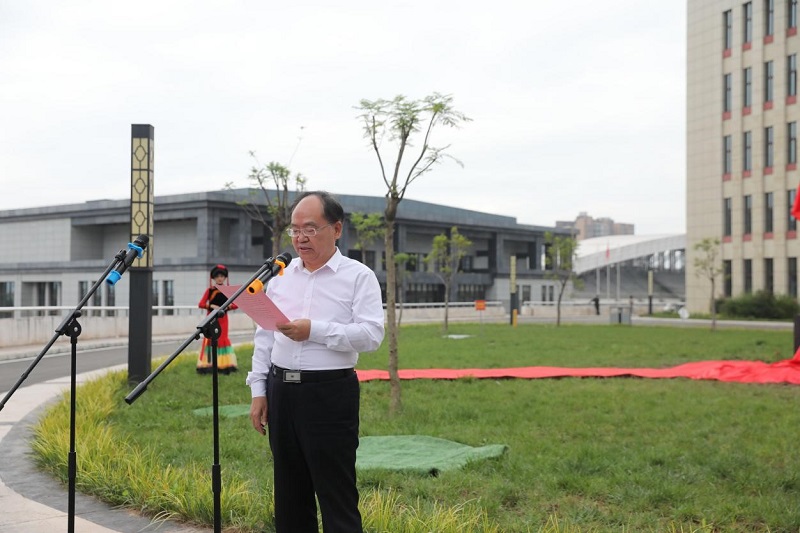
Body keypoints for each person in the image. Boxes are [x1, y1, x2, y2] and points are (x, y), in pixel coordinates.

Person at [246, 191, 385, 533]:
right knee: (290, 497)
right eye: (294, 230)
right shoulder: (280, 275)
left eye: (309, 228)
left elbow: (371, 335)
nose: (299, 238)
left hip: (329, 393)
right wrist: (258, 389)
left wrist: (315, 331)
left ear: (336, 229)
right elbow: (265, 335)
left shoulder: (358, 277)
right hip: (281, 392)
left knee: (336, 495)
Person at [196, 264, 239, 374]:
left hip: (223, 319)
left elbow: (236, 305)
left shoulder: (228, 291)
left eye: (222, 276)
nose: (220, 278)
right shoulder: (209, 291)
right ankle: (209, 364)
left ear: (225, 277)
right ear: (214, 278)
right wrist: (212, 306)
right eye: (217, 276)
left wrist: (225, 307)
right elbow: (201, 304)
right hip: (211, 319)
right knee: (210, 340)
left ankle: (223, 365)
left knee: (222, 339)